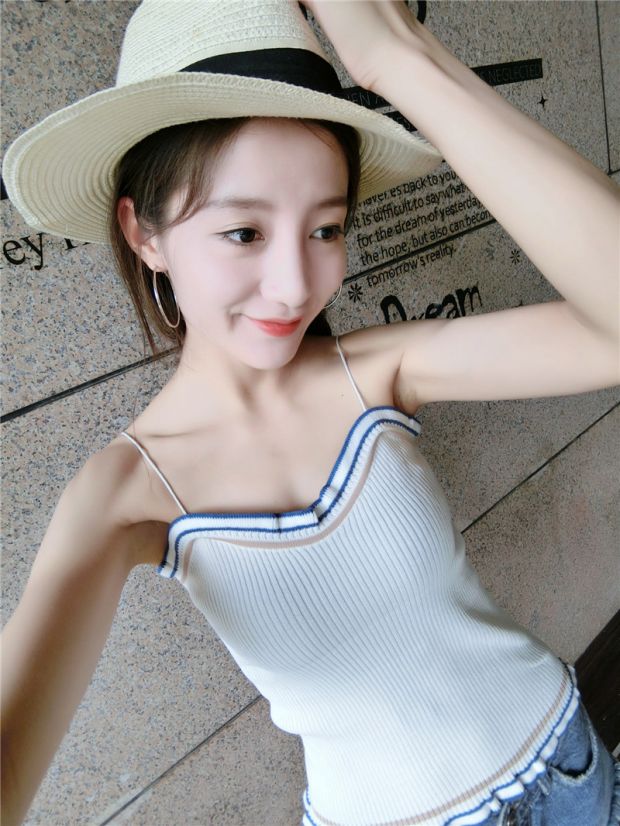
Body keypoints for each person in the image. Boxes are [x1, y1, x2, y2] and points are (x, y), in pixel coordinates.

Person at [2, 1, 619, 825]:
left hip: (571, 765)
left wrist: (398, 55)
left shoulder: (377, 371)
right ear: (144, 233)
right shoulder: (126, 495)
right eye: (244, 233)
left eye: (326, 228)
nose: (297, 285)